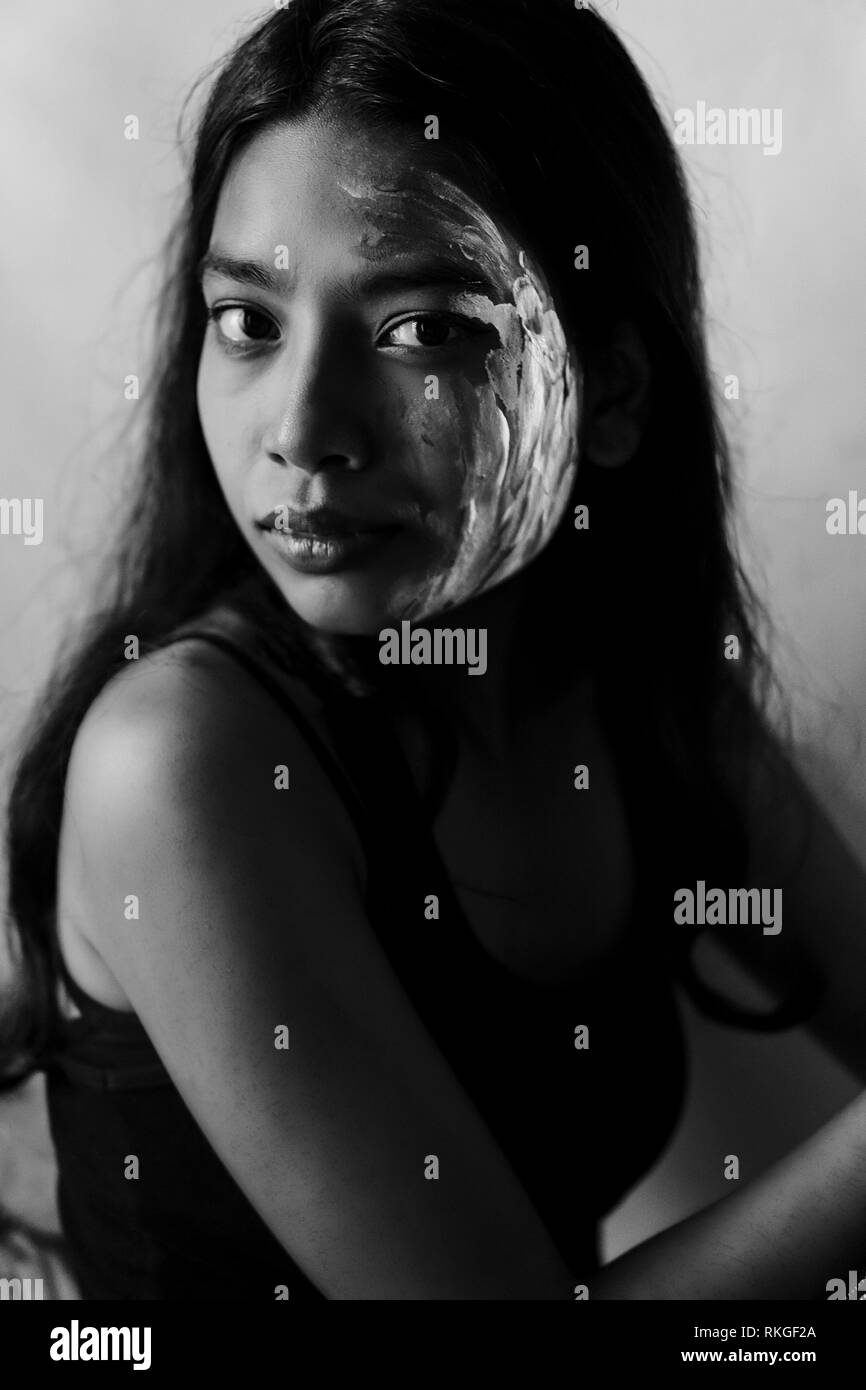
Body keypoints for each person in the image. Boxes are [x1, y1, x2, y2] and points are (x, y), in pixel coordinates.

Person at [3, 0, 866, 1301]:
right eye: (247, 321)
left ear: (613, 391)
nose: (302, 429)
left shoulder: (639, 695)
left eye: (422, 328)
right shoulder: (182, 758)